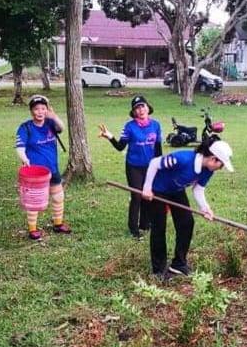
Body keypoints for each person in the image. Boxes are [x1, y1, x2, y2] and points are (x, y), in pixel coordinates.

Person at [141, 138, 234, 278]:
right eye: (221, 165)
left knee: (186, 222)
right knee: (159, 226)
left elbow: (198, 189)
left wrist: (205, 208)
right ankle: (158, 270)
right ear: (213, 159)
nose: (220, 168)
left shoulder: (207, 170)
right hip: (157, 189)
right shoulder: (182, 159)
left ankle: (178, 264)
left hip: (176, 191)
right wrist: (147, 188)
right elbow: (154, 163)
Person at [99, 95, 162, 240]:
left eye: (142, 106)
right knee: (137, 196)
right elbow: (121, 147)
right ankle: (134, 228)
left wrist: (159, 168)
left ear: (148, 107)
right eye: (137, 108)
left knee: (148, 195)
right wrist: (110, 137)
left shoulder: (156, 125)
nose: (140, 110)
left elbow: (158, 149)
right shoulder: (129, 126)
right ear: (133, 112)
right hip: (133, 166)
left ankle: (145, 224)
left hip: (151, 167)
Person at [15, 94, 71, 240]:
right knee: (34, 201)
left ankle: (58, 224)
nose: (40, 112)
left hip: (52, 168)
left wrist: (54, 116)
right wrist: (25, 158)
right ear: (31, 111)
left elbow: (62, 128)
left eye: (43, 108)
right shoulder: (25, 127)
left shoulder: (50, 123)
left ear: (46, 110)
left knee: (58, 196)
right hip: (35, 173)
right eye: (36, 109)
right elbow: (19, 147)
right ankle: (33, 229)